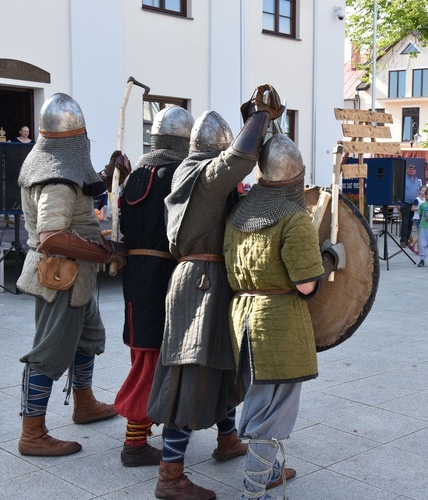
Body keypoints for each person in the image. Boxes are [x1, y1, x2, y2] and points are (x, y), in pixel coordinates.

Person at [146, 85, 283, 500]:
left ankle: (227, 441)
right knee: (190, 372)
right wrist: (259, 116)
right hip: (200, 285)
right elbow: (240, 159)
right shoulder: (202, 176)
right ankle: (170, 476)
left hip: (211, 281)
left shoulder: (197, 174)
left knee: (223, 366)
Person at [223, 133, 345, 500]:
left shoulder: (239, 213)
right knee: (271, 413)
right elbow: (306, 285)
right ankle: (254, 490)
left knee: (260, 399)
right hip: (277, 324)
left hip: (241, 318)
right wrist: (330, 258)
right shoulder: (293, 219)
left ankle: (270, 471)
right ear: (296, 178)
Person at [15, 93, 124, 457]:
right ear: (76, 136)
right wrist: (105, 252)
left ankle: (85, 403)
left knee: (88, 337)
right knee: (49, 352)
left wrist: (109, 174)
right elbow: (52, 236)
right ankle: (33, 432)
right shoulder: (57, 178)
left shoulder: (51, 162)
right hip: (59, 276)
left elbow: (80, 189)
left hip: (77, 278)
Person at [108, 106, 215, 469]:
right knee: (151, 360)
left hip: (137, 273)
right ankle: (135, 443)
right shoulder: (178, 173)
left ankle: (150, 432)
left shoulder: (135, 174)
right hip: (166, 275)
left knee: (144, 352)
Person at [399, 163, 422, 248]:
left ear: (415, 171)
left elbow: (419, 192)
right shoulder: (403, 179)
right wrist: (399, 203)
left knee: (410, 223)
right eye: (410, 169)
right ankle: (403, 240)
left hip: (414, 204)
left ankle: (407, 239)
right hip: (405, 203)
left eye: (413, 169)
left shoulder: (417, 180)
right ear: (407, 170)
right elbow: (400, 190)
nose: (411, 170)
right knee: (405, 222)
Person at [408, 185, 426, 255]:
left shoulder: (424, 200)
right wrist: (419, 209)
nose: (424, 192)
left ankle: (415, 247)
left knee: (421, 234)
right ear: (419, 191)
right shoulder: (417, 199)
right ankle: (415, 246)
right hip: (417, 218)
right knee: (421, 234)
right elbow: (412, 208)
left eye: (425, 191)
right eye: (423, 191)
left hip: (423, 218)